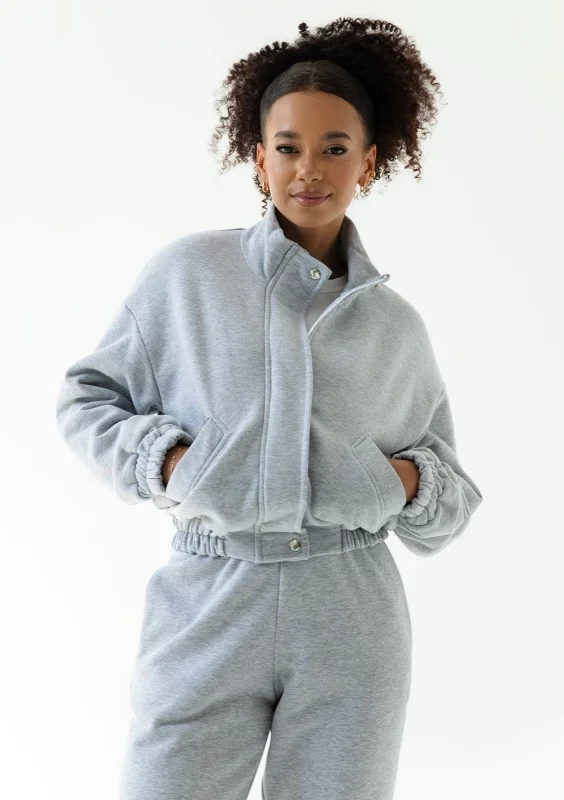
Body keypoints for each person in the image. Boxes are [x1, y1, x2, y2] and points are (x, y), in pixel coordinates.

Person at [55, 17, 483, 800]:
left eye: (335, 148)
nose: (309, 169)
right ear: (259, 158)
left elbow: (451, 499)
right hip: (209, 601)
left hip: (351, 616)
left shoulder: (395, 326)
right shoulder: (188, 276)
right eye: (288, 147)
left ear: (369, 161)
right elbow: (86, 399)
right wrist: (171, 463)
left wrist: (403, 481)